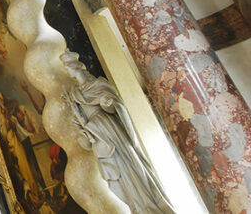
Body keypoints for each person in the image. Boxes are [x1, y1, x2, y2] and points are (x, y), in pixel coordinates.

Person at [62, 52, 175, 213]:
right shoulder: (74, 94)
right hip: (99, 136)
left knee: (130, 161)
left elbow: (115, 106)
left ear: (76, 67)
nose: (67, 70)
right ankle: (138, 207)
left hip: (112, 130)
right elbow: (79, 121)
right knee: (119, 172)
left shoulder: (98, 84)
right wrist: (84, 129)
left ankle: (152, 202)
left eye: (68, 67)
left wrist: (107, 103)